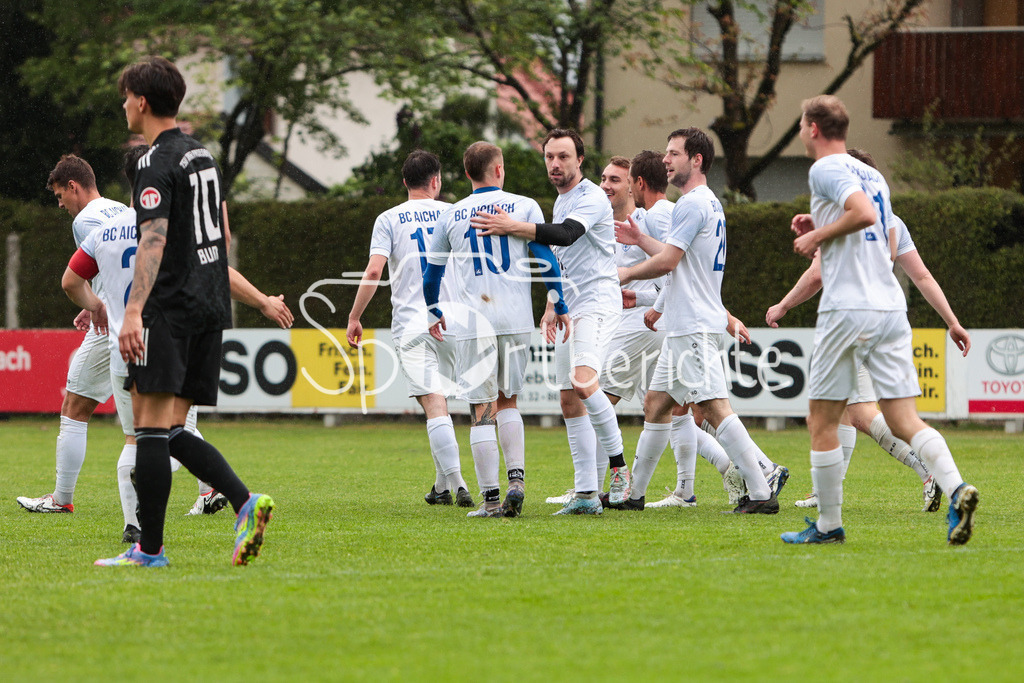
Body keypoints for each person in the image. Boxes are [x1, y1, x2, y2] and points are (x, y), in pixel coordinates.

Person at [63, 145, 293, 544]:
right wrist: (262, 302)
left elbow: (69, 281)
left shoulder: (101, 233)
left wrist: (96, 305)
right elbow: (219, 269)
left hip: (126, 349)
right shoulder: (172, 228)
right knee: (168, 435)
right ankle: (233, 499)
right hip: (170, 341)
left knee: (141, 439)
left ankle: (140, 533)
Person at [95, 56, 274, 567]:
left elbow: (153, 237)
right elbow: (223, 233)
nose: (124, 104)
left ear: (143, 101)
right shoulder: (204, 158)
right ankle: (244, 503)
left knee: (149, 426)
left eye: (127, 95)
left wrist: (133, 312)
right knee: (173, 428)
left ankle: (149, 550)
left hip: (169, 306)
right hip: (209, 304)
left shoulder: (153, 162)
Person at [781, 95, 977, 545]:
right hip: (890, 307)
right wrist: (824, 220)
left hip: (848, 307)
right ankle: (957, 488)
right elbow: (872, 228)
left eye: (800, 124)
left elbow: (862, 216)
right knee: (904, 417)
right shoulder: (872, 175)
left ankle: (828, 526)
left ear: (813, 128)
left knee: (823, 419)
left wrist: (817, 234)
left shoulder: (825, 168)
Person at [616, 128, 778, 513]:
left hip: (693, 323)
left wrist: (626, 273)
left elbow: (669, 262)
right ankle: (633, 495)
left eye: (673, 153)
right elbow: (679, 256)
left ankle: (760, 493)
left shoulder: (690, 204)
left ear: (697, 160)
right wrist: (642, 242)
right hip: (686, 322)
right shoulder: (707, 203)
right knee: (656, 404)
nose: (666, 160)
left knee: (715, 407)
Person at [471, 128, 630, 515]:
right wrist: (551, 302)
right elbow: (558, 259)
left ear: (579, 160)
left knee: (583, 381)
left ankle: (620, 468)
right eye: (549, 157)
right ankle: (586, 494)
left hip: (597, 303)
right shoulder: (560, 201)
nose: (555, 164)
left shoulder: (592, 197)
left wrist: (514, 227)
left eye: (563, 157)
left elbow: (567, 235)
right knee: (568, 399)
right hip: (570, 308)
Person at [424, 141, 569, 518]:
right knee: (509, 401)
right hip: (517, 320)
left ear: (468, 174)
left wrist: (433, 310)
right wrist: (560, 303)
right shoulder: (524, 207)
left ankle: (490, 500)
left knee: (480, 410)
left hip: (475, 325)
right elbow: (547, 260)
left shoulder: (452, 215)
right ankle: (516, 481)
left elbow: (432, 274)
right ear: (499, 170)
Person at [347, 150, 474, 509]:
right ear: (436, 181)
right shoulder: (454, 214)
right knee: (446, 403)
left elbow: (374, 272)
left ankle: (459, 482)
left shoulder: (388, 219)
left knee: (434, 406)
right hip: (453, 321)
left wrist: (355, 316)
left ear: (404, 182)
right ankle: (441, 486)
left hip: (412, 322)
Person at [16, 155, 128, 514]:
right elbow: (116, 263)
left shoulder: (85, 220)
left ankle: (61, 499)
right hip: (143, 313)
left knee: (74, 408)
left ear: (73, 187)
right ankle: (211, 489)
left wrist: (95, 304)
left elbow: (74, 279)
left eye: (59, 196)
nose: (61, 204)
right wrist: (94, 298)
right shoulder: (117, 209)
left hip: (112, 323)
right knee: (165, 412)